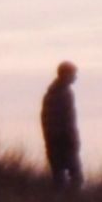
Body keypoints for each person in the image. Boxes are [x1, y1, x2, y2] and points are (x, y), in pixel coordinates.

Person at [41, 61, 83, 189]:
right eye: (73, 74)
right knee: (74, 177)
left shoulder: (54, 93)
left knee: (60, 177)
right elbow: (66, 120)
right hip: (63, 141)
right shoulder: (62, 93)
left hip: (56, 140)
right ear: (65, 74)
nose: (75, 77)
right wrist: (71, 139)